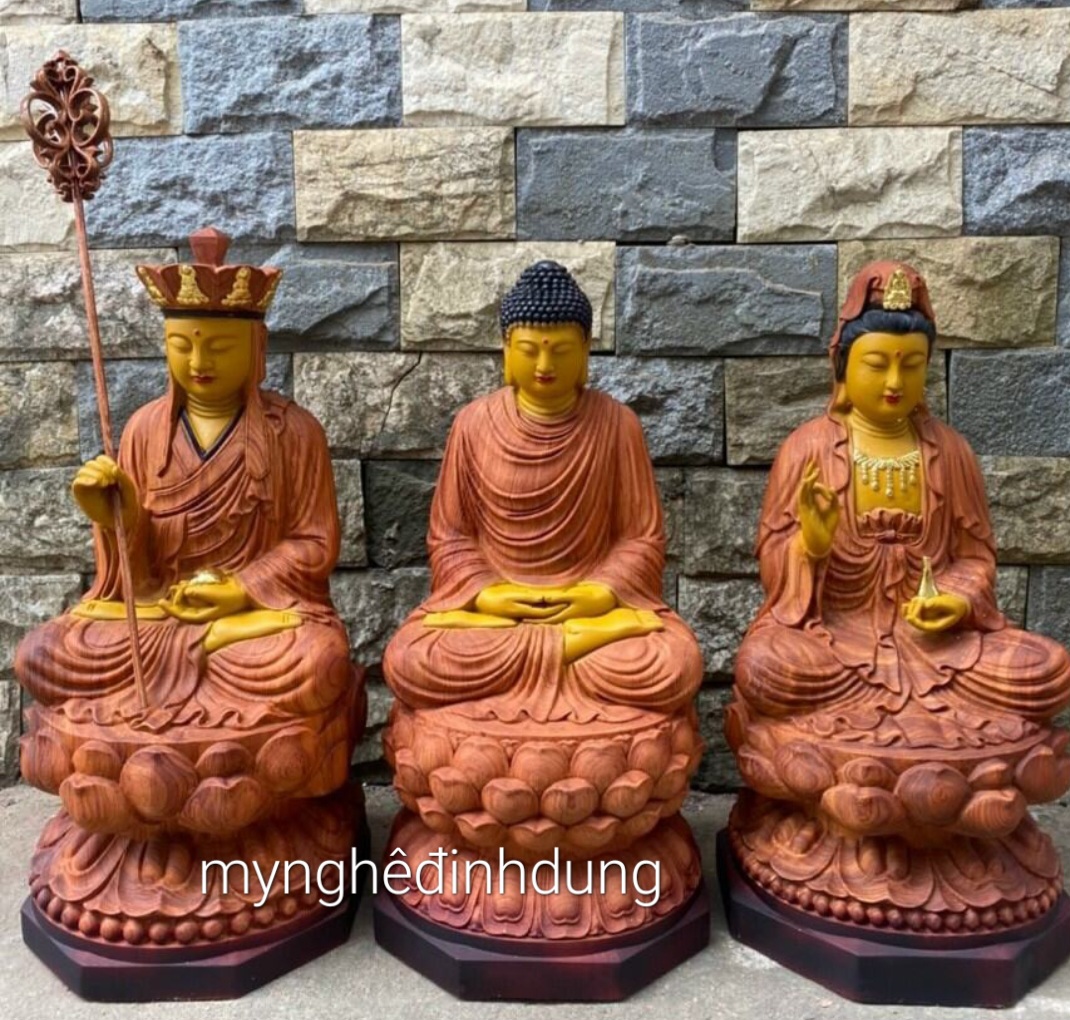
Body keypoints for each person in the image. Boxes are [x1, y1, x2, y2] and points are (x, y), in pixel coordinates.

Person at [15, 228, 353, 734]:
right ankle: (201, 680)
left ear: (256, 347)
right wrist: (117, 518)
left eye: (220, 347)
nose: (199, 363)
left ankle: (192, 681)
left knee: (318, 660)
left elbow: (313, 544)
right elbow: (133, 581)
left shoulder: (295, 432)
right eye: (181, 345)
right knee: (41, 654)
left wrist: (240, 589)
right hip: (160, 612)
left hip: (247, 621)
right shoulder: (145, 430)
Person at [734, 260, 1070, 741]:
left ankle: (844, 754)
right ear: (843, 369)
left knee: (1049, 668)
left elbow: (975, 558)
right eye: (877, 365)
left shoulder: (950, 451)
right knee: (765, 666)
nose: (894, 382)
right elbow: (774, 569)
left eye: (911, 366)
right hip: (837, 641)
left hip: (939, 645)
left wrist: (956, 601)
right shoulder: (807, 448)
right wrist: (811, 544)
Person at [383, 260, 702, 725]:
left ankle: (543, 670)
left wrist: (601, 592)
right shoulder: (473, 424)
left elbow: (641, 539)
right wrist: (486, 593)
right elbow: (450, 537)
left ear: (586, 351)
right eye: (529, 350)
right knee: (410, 658)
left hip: (588, 611)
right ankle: (562, 657)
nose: (545, 366)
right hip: (502, 618)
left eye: (562, 352)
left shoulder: (618, 424)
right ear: (506, 349)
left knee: (674, 663)